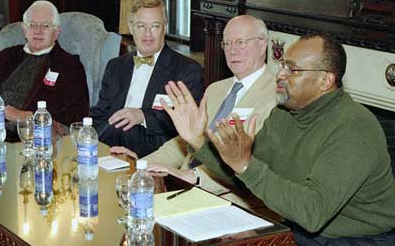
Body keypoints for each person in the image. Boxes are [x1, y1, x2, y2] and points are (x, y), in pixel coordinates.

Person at [162, 34, 395, 245]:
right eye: (281, 66)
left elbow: (312, 212)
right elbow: (245, 177)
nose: (280, 76)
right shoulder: (284, 114)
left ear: (326, 80)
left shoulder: (353, 128)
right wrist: (198, 140)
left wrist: (246, 165)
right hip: (303, 230)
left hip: (365, 239)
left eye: (292, 70)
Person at [111, 15, 276, 202]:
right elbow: (184, 143)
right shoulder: (216, 89)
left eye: (241, 42)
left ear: (262, 45)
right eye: (227, 44)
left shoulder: (276, 97)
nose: (232, 51)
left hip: (231, 198)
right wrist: (142, 164)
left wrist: (194, 177)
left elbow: (253, 162)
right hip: (182, 186)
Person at [91, 0, 203, 158]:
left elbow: (187, 121)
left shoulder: (186, 69)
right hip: (113, 144)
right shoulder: (115, 66)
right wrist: (85, 132)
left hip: (156, 148)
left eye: (155, 26)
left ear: (164, 27)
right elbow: (101, 113)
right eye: (141, 26)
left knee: (123, 129)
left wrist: (142, 115)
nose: (147, 34)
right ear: (131, 27)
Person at [0, 0, 89, 128]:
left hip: (35, 135)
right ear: (24, 30)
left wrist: (26, 116)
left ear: (56, 33)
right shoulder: (4, 57)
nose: (38, 31)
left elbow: (76, 115)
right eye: (32, 25)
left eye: (45, 26)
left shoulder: (69, 66)